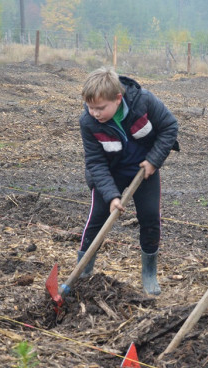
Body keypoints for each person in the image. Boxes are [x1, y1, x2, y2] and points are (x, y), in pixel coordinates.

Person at [74, 66, 179, 295]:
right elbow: (95, 162)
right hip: (108, 173)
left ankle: (149, 272)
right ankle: (83, 270)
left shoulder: (144, 102)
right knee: (97, 219)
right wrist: (112, 196)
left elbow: (169, 127)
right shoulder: (88, 122)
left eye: (100, 108)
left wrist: (153, 161)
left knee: (150, 217)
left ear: (118, 98)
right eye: (90, 107)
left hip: (144, 170)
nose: (95, 113)